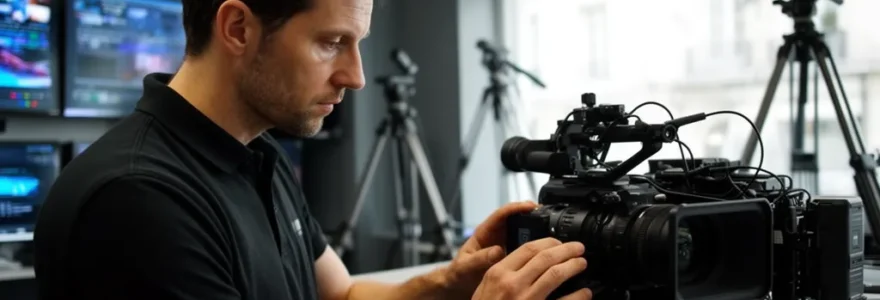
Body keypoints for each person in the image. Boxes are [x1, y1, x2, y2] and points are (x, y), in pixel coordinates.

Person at [32, 0, 592, 299]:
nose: (356, 77)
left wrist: (456, 280)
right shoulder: (139, 202)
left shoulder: (257, 156)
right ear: (237, 28)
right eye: (332, 43)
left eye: (358, 44)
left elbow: (341, 295)